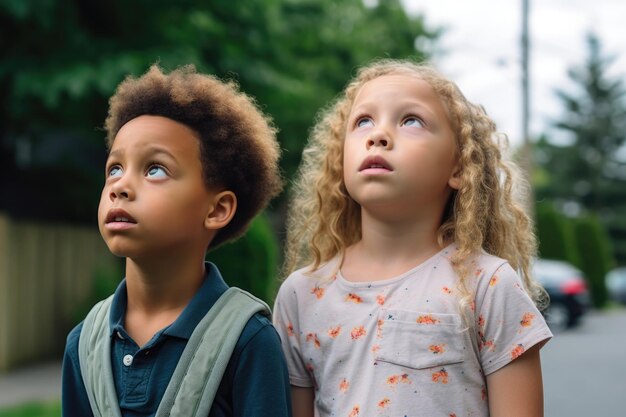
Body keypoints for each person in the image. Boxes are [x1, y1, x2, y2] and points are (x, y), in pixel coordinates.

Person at [273, 59, 553, 417]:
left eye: (411, 121)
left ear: (458, 167)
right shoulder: (302, 294)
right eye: (363, 121)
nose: (378, 135)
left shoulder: (487, 285)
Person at [62, 64, 292, 417]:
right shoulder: (83, 343)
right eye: (115, 168)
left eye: (155, 169)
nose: (120, 186)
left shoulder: (247, 340)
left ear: (217, 209)